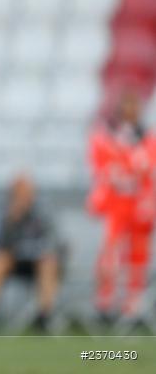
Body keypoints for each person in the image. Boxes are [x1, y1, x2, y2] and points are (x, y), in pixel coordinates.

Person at [88, 91, 155, 321]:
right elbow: (108, 169)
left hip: (139, 205)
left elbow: (146, 169)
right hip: (116, 204)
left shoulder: (147, 138)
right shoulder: (106, 136)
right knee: (110, 254)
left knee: (138, 256)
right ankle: (104, 304)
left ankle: (132, 306)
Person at [0, 175, 63, 331]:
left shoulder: (44, 209)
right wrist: (11, 221)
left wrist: (38, 250)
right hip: (15, 261)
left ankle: (44, 317)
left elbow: (53, 242)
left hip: (39, 261)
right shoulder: (5, 210)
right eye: (18, 193)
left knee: (49, 263)